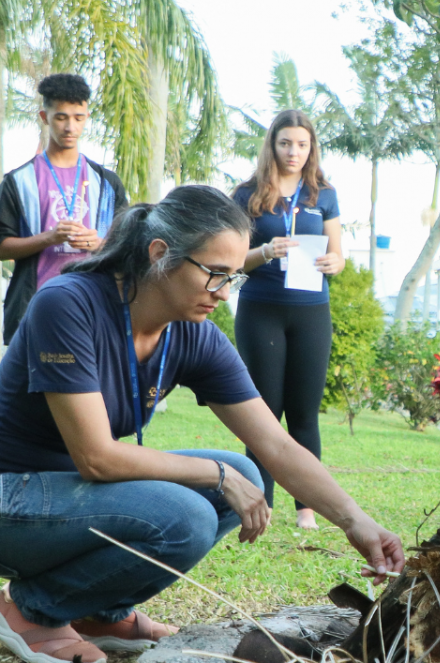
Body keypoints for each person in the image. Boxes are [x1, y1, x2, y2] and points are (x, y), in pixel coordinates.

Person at [0, 186, 403, 663]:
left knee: (246, 472)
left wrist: (356, 522)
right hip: (13, 495)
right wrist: (216, 475)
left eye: (233, 277)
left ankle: (101, 612)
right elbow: (97, 457)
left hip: (72, 497)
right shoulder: (69, 304)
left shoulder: (193, 334)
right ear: (160, 254)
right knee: (191, 510)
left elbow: (274, 443)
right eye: (214, 274)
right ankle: (30, 614)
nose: (224, 292)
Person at [232, 110, 345, 529]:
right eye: (285, 143)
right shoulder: (247, 194)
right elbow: (231, 261)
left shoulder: (325, 194)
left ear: (311, 147)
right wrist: (266, 251)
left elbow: (339, 257)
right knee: (263, 410)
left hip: (312, 310)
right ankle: (260, 503)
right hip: (261, 309)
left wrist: (334, 262)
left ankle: (307, 507)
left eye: (301, 144)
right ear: (272, 145)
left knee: (304, 411)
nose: (293, 152)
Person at [0, 73, 127, 345]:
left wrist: (100, 242)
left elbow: (129, 245)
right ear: (45, 117)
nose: (70, 126)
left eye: (78, 117)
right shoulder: (18, 181)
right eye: (61, 117)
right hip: (31, 310)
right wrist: (50, 237)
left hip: (94, 308)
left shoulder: (107, 183)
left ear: (86, 117)